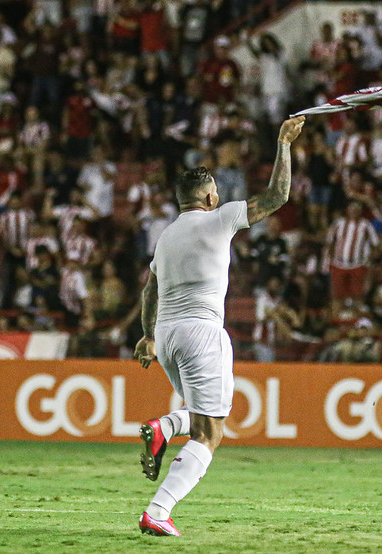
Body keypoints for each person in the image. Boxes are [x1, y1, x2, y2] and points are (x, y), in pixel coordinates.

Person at [133, 116, 305, 537]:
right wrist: (283, 142)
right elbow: (278, 195)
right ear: (210, 196)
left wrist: (147, 336)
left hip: (168, 336)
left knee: (198, 417)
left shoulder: (167, 236)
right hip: (201, 332)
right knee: (211, 433)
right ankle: (159, 510)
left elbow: (149, 292)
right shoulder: (221, 218)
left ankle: (162, 427)